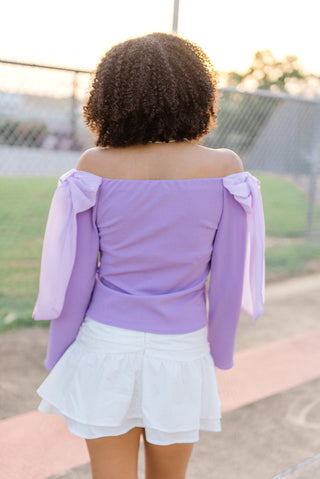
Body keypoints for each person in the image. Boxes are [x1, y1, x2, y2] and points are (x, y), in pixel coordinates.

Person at [33, 32, 265, 479]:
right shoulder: (225, 169)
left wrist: (59, 352)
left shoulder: (95, 166)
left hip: (105, 346)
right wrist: (220, 352)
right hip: (180, 350)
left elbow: (75, 278)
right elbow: (230, 277)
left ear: (111, 96)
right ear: (197, 93)